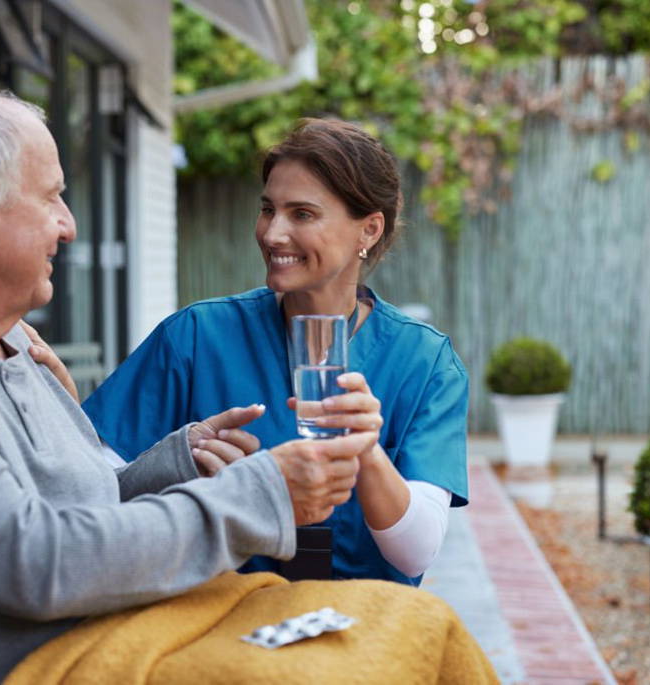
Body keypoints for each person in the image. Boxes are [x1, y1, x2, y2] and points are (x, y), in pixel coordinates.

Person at [0, 87, 490, 682]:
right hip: (26, 658)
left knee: (421, 625)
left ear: (369, 230)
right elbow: (37, 560)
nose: (68, 225)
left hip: (107, 626)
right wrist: (264, 492)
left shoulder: (7, 346)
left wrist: (178, 459)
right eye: (52, 197)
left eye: (301, 213)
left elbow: (84, 499)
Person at [81, 118, 469, 586]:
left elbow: (415, 554)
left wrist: (367, 452)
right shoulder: (195, 337)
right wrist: (179, 462)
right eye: (268, 209)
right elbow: (89, 495)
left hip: (360, 621)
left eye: (302, 214)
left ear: (368, 230)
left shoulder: (425, 363)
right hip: (220, 612)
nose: (272, 233)